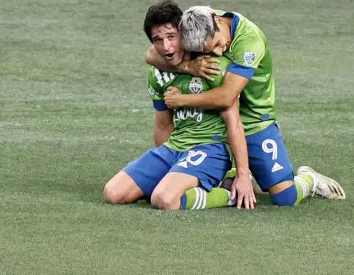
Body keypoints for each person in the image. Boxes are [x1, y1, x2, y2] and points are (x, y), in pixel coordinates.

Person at [145, 5, 347, 207]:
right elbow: (151, 55)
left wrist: (181, 100)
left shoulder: (250, 42)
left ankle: (309, 179)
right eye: (209, 51)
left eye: (216, 45)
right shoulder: (198, 23)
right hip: (216, 121)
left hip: (254, 120)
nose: (217, 52)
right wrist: (187, 66)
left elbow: (226, 97)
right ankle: (237, 173)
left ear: (218, 22)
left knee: (285, 198)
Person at [103, 0, 253, 210]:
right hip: (174, 148)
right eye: (158, 40)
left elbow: (235, 123)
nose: (167, 47)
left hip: (210, 149)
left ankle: (228, 194)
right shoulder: (158, 73)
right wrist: (168, 169)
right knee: (113, 193)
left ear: (184, 33)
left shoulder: (213, 65)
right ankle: (176, 184)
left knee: (164, 199)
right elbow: (163, 125)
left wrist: (242, 174)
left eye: (171, 36)